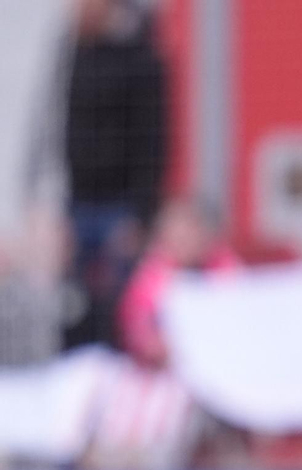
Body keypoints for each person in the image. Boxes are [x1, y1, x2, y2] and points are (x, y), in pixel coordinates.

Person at [64, 0, 167, 349]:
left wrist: (140, 212)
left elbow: (151, 140)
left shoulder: (139, 58)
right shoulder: (68, 54)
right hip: (75, 202)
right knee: (73, 306)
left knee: (118, 306)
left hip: (119, 205)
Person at [117, 198, 239, 367]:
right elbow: (137, 330)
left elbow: (238, 314)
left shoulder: (224, 268)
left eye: (191, 232)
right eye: (178, 236)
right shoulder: (150, 278)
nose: (185, 241)